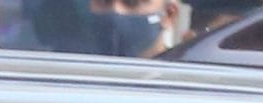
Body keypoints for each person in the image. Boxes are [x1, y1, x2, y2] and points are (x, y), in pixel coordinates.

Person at [27, 0, 183, 55]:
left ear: (169, 15)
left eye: (132, 2)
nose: (115, 11)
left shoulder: (188, 87)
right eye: (104, 1)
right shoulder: (69, 76)